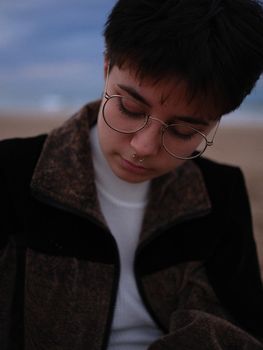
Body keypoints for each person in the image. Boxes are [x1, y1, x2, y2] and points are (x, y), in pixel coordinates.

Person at [1, 0, 263, 349]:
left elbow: (241, 326)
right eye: (129, 108)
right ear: (106, 66)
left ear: (218, 119)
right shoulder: (11, 172)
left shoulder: (221, 192)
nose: (142, 146)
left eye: (183, 131)